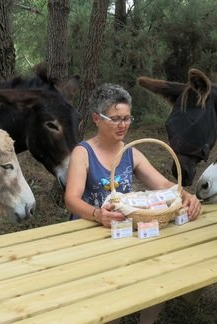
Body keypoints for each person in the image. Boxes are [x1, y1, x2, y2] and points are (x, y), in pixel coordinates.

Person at [64, 83, 202, 324]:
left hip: (125, 230)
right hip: (90, 232)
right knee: (107, 292)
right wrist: (98, 215)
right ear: (97, 119)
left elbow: (162, 184)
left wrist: (185, 195)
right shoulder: (83, 152)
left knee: (159, 270)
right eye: (116, 119)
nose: (123, 125)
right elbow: (72, 199)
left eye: (127, 118)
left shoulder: (131, 152)